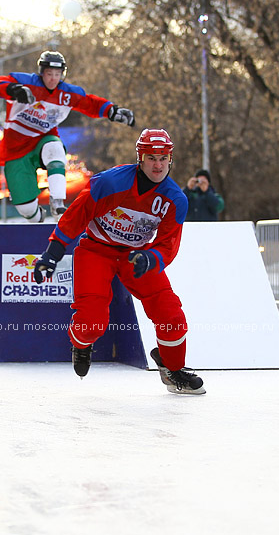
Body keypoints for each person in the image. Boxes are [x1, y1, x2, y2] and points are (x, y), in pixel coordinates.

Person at [32, 128, 205, 395]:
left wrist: (151, 258)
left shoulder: (175, 199)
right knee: (92, 320)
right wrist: (52, 253)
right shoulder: (109, 183)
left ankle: (173, 369)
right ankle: (81, 344)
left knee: (171, 315)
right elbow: (76, 215)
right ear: (140, 158)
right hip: (96, 250)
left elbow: (169, 243)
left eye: (163, 158)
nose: (157, 165)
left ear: (171, 159)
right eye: (151, 158)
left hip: (135, 256)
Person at [0, 50, 136, 222]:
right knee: (26, 209)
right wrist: (13, 90)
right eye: (49, 74)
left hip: (42, 139)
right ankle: (36, 217)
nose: (53, 79)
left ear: (63, 75)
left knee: (55, 149)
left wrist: (112, 110)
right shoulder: (26, 83)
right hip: (16, 147)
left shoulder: (66, 93)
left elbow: (89, 103)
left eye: (57, 75)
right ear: (41, 73)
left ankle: (58, 202)